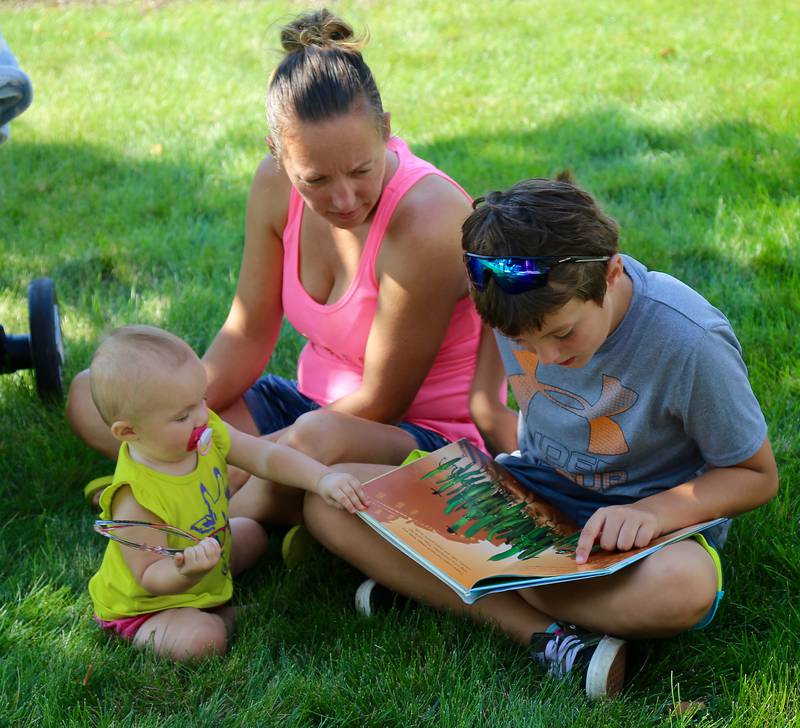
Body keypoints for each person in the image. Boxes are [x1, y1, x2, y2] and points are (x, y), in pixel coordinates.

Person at [303, 177, 779, 698]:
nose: (548, 357)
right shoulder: (511, 296)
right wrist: (492, 476)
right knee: (332, 497)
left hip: (642, 535)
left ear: (612, 271)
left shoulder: (689, 340)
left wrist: (653, 514)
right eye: (522, 342)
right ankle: (542, 632)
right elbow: (486, 402)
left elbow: (755, 476)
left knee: (686, 588)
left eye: (563, 334)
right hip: (529, 502)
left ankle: (450, 584)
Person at [65, 8, 487, 524]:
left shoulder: (426, 220)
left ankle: (187, 514)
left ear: (386, 130)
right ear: (278, 156)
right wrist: (183, 414)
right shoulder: (272, 187)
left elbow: (383, 400)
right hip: (308, 408)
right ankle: (237, 500)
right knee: (95, 394)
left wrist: (256, 456)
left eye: (361, 169)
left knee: (314, 439)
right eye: (315, 179)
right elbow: (247, 334)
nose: (344, 197)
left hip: (421, 437)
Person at [87, 325, 367, 661]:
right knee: (204, 641)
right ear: (128, 431)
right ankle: (219, 617)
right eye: (181, 416)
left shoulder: (206, 430)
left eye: (201, 400)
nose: (201, 417)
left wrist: (321, 479)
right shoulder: (134, 497)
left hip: (207, 557)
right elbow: (148, 576)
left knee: (252, 532)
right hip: (152, 604)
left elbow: (266, 456)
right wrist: (185, 571)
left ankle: (214, 598)